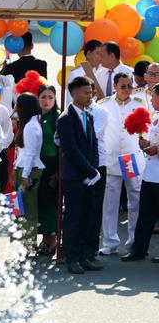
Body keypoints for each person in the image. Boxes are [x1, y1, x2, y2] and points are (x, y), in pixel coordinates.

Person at [58, 77, 104, 274]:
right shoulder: (65, 118)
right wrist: (89, 171)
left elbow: (93, 145)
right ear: (74, 94)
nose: (89, 96)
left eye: (91, 92)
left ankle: (85, 256)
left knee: (88, 215)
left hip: (88, 175)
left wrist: (93, 170)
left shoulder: (89, 116)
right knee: (74, 217)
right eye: (86, 92)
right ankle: (72, 257)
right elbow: (71, 149)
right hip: (73, 176)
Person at [97, 72, 145, 256]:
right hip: (112, 158)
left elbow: (145, 130)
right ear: (115, 86)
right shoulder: (103, 105)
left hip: (132, 158)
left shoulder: (139, 105)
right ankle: (109, 242)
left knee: (135, 201)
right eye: (123, 86)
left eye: (129, 86)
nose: (127, 90)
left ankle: (133, 241)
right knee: (110, 202)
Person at [124, 84, 159, 262]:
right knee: (145, 214)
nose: (151, 100)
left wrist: (156, 149)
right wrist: (145, 143)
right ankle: (139, 250)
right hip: (151, 173)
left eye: (153, 97)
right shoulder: (155, 118)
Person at [12, 92, 44, 251]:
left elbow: (31, 152)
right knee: (22, 207)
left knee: (28, 208)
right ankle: (25, 242)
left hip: (29, 170)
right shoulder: (30, 123)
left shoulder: (31, 126)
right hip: (24, 168)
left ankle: (28, 244)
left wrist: (24, 175)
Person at [35, 85, 60, 256]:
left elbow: (62, 147)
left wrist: (59, 170)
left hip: (52, 162)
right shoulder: (34, 116)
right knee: (39, 202)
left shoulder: (58, 117)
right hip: (37, 164)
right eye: (43, 97)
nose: (46, 101)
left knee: (51, 203)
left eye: (50, 97)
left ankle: (52, 240)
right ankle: (44, 239)